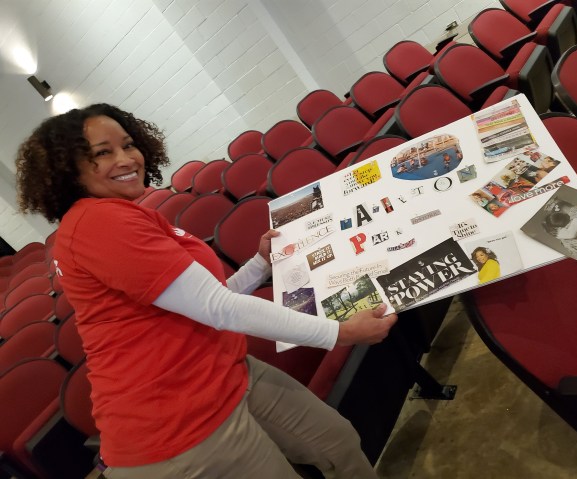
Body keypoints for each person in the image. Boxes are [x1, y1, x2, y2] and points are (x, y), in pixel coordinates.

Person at [15, 104, 398, 479]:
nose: (126, 158)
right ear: (70, 170)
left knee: (337, 442)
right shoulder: (99, 223)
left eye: (128, 144)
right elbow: (218, 307)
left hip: (223, 371)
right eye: (102, 153)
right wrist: (339, 331)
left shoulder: (128, 212)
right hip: (177, 420)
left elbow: (200, 301)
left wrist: (261, 264)